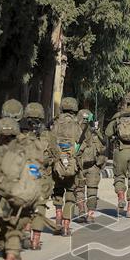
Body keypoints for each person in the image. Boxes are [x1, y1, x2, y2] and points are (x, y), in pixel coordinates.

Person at [0, 117, 42, 260]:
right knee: (15, 228)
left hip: (0, 196)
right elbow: (36, 168)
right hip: (20, 194)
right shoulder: (27, 146)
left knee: (4, 226)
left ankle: (6, 251)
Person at [20, 101, 61, 246]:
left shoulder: (19, 135)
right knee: (41, 205)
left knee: (25, 204)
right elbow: (56, 155)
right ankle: (36, 240)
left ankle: (25, 229)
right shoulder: (48, 135)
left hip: (23, 177)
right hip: (43, 176)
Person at [51, 98, 84, 236]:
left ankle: (57, 220)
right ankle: (65, 226)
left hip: (57, 165)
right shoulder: (77, 125)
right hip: (72, 165)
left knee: (58, 191)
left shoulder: (55, 123)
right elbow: (82, 145)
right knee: (70, 195)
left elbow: (50, 143)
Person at [75, 109, 107, 223]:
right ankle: (90, 214)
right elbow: (103, 148)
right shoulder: (95, 132)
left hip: (79, 165)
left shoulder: (74, 131)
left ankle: (81, 211)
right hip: (93, 165)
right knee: (92, 190)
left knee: (79, 189)